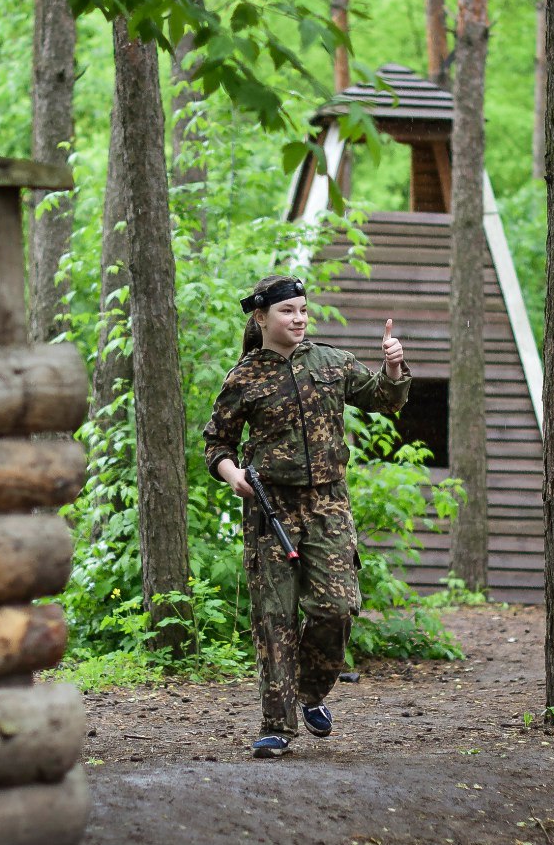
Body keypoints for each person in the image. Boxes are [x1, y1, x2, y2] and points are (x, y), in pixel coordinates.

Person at [203, 274, 410, 758]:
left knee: (336, 609)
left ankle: (310, 691)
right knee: (273, 617)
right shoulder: (245, 377)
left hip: (327, 505)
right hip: (270, 506)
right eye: (287, 311)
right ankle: (277, 725)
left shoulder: (332, 362)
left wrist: (394, 366)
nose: (298, 319)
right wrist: (233, 475)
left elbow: (383, 398)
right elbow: (217, 443)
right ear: (262, 317)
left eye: (302, 309)